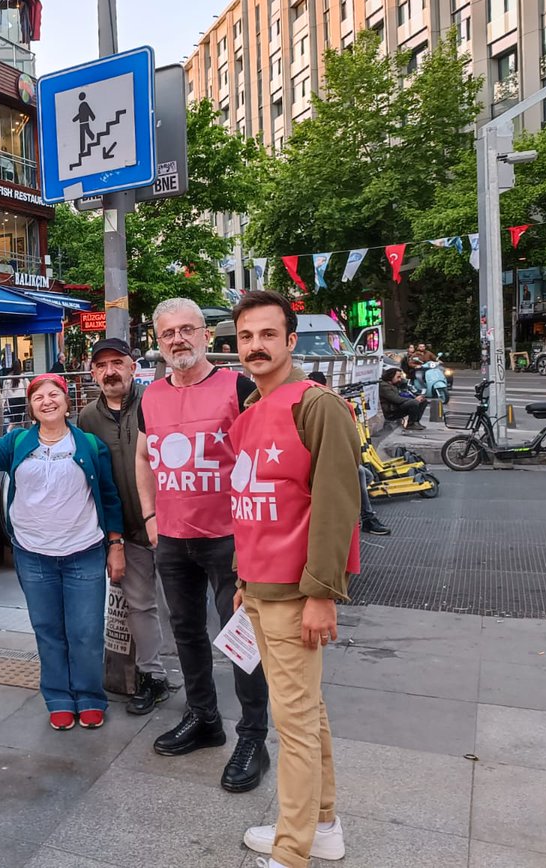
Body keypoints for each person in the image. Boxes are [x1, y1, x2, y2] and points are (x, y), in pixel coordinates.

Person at [229, 290, 360, 868]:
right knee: (308, 713)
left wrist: (323, 594)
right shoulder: (252, 413)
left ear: (289, 339)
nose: (256, 346)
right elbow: (254, 503)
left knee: (296, 722)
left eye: (267, 335)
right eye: (246, 337)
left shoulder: (317, 405)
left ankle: (292, 850)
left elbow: (337, 506)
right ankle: (321, 826)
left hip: (295, 595)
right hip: (261, 589)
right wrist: (243, 578)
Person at [135, 298, 271, 793]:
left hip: (229, 539)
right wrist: (151, 517)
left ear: (208, 336)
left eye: (188, 330)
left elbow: (261, 461)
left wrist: (253, 537)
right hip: (172, 536)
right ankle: (205, 718)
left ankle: (253, 737)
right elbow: (144, 458)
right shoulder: (150, 395)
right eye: (169, 332)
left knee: (243, 640)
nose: (179, 340)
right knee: (187, 633)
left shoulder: (237, 386)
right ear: (159, 340)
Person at [0, 374, 124, 731]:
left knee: (85, 631)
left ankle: (90, 697)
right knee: (48, 629)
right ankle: (59, 698)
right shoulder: (18, 442)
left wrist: (115, 545)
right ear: (31, 407)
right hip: (33, 555)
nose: (47, 401)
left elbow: (110, 499)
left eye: (54, 395)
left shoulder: (90, 445)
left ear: (67, 402)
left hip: (84, 552)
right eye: (39, 397)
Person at [77, 338, 171, 715]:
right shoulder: (87, 418)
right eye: (102, 366)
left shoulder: (158, 401)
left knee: (185, 606)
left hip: (172, 524)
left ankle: (203, 681)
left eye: (118, 362)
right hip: (125, 531)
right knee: (140, 605)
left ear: (134, 366)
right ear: (93, 373)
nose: (110, 371)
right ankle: (152, 676)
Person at [307, 374, 388, 537]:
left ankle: (352, 511)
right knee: (359, 474)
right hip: (319, 459)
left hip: (327, 455)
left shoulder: (321, 402)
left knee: (366, 475)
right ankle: (367, 518)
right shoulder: (324, 403)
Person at [2, 359, 27, 428]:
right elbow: (28, 388)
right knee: (21, 419)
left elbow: (4, 392)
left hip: (11, 401)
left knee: (12, 420)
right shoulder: (24, 377)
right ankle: (22, 432)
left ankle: (9, 432)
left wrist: (3, 402)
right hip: (22, 399)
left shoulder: (7, 378)